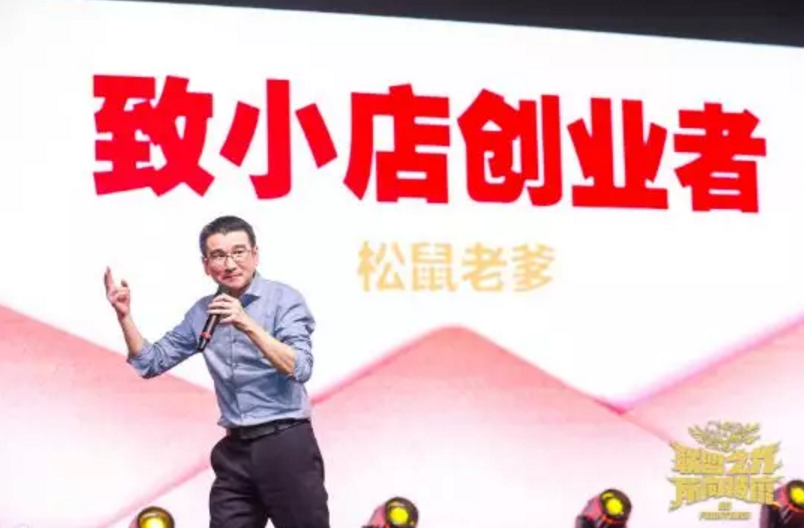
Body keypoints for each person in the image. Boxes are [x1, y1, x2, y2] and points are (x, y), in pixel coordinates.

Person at [103, 215, 330, 528]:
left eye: (238, 252)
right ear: (206, 265)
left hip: (285, 443)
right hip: (235, 450)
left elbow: (300, 368)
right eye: (219, 255)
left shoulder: (284, 300)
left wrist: (247, 323)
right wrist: (124, 317)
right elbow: (151, 362)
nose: (230, 264)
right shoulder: (203, 312)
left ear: (255, 255)